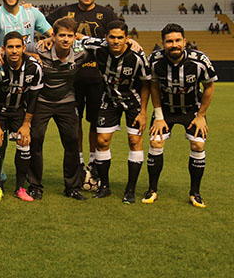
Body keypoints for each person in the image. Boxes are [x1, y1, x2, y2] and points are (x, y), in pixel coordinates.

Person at [46, 0, 118, 188]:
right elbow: (43, 24)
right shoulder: (63, 12)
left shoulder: (107, 14)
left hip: (98, 79)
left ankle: (94, 165)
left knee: (95, 123)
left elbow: (117, 35)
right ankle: (78, 163)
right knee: (74, 123)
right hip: (72, 78)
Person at [146, 23, 216, 208]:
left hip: (192, 109)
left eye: (178, 40)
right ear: (163, 43)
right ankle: (152, 190)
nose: (174, 44)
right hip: (166, 109)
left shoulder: (199, 61)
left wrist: (201, 116)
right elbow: (153, 85)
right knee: (155, 142)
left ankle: (195, 193)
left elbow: (209, 87)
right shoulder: (154, 60)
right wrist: (159, 115)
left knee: (198, 144)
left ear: (185, 41)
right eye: (169, 41)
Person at [80, 21, 151, 203]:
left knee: (134, 141)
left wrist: (143, 112)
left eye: (120, 37)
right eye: (112, 37)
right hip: (109, 100)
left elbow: (146, 84)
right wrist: (48, 39)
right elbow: (78, 37)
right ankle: (105, 186)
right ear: (106, 38)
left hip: (133, 102)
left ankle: (130, 189)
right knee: (102, 142)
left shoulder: (137, 57)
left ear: (127, 38)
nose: (116, 41)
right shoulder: (99, 48)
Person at [25, 17, 89, 201]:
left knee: (72, 141)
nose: (66, 39)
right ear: (53, 35)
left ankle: (72, 187)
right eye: (61, 35)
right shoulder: (39, 48)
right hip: (42, 102)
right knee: (35, 140)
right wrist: (28, 55)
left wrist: (131, 41)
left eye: (70, 36)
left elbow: (105, 45)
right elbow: (12, 48)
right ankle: (35, 186)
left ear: (75, 37)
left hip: (66, 102)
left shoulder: (81, 53)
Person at [0, 32, 44, 202]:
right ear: (3, 49)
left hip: (18, 111)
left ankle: (20, 188)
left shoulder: (34, 68)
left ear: (24, 48)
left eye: (17, 47)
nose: (14, 51)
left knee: (24, 142)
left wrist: (26, 124)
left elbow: (34, 98)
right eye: (10, 47)